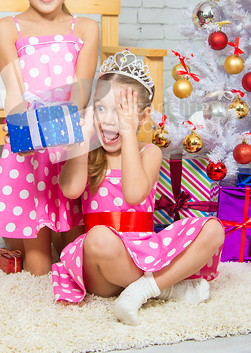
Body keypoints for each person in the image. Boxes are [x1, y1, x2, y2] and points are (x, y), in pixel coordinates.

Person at [52, 50, 225, 325]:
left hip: (146, 251)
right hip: (104, 264)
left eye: (121, 111)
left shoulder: (150, 152)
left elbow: (134, 194)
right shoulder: (88, 151)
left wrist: (130, 133)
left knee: (214, 228)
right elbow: (71, 189)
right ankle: (166, 288)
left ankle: (143, 289)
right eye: (100, 108)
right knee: (97, 237)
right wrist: (82, 140)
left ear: (142, 117)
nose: (109, 120)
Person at [0, 0, 99, 275]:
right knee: (38, 266)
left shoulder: (85, 28)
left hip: (68, 143)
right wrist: (22, 128)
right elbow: (13, 90)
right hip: (28, 148)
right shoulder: (7, 28)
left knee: (79, 249)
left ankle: (64, 244)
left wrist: (56, 132)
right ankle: (30, 246)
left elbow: (80, 91)